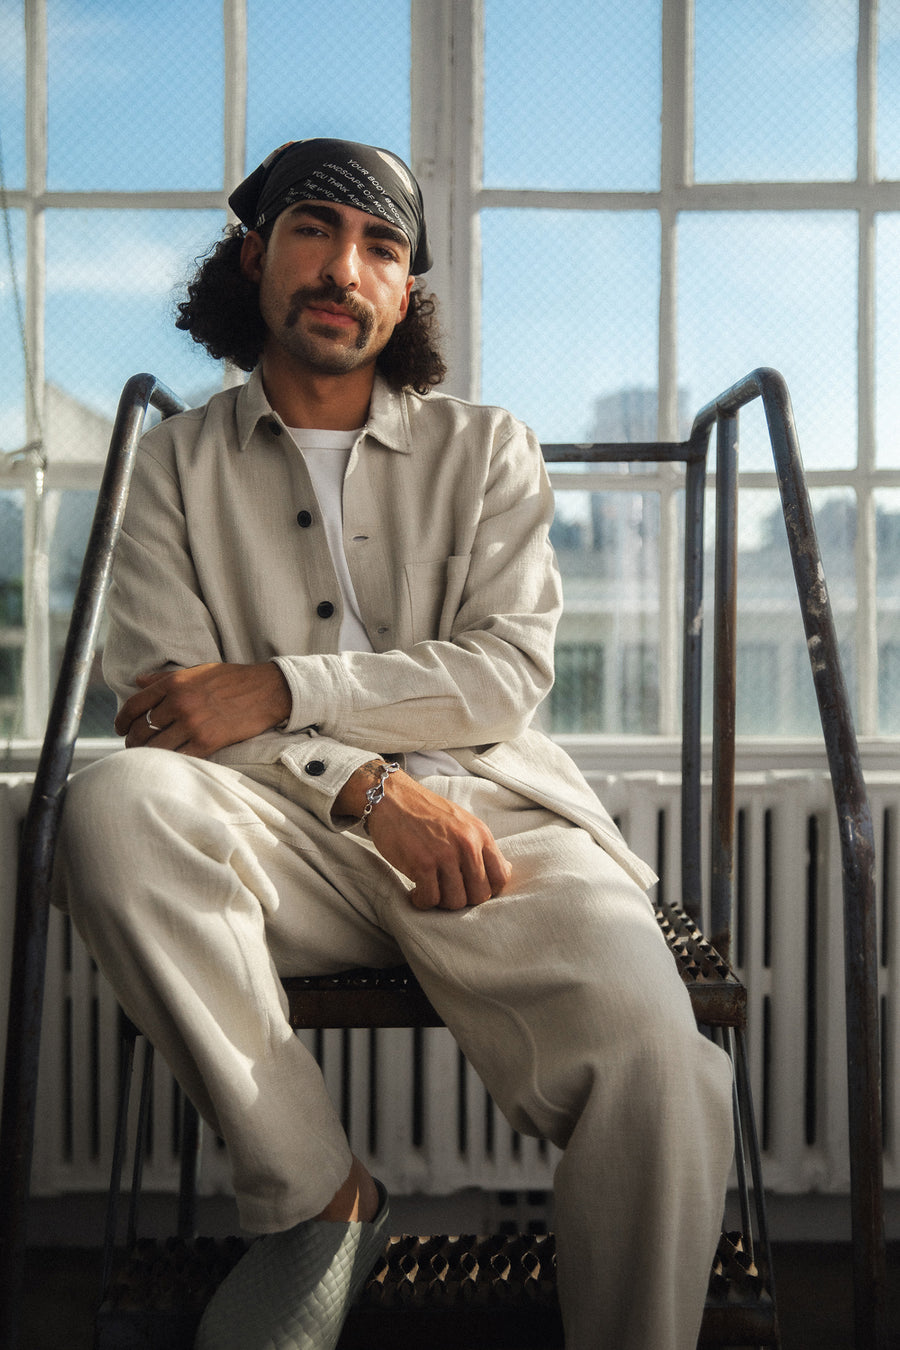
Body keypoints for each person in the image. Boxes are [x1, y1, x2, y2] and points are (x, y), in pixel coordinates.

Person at [53, 138, 733, 1350]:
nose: (345, 268)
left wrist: (278, 686)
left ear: (405, 288)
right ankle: (324, 1201)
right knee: (114, 805)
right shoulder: (171, 465)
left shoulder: (489, 449)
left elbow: (503, 676)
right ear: (256, 255)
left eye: (382, 248)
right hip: (278, 842)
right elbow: (171, 715)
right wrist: (362, 786)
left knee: (662, 1068)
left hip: (497, 829)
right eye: (316, 230)